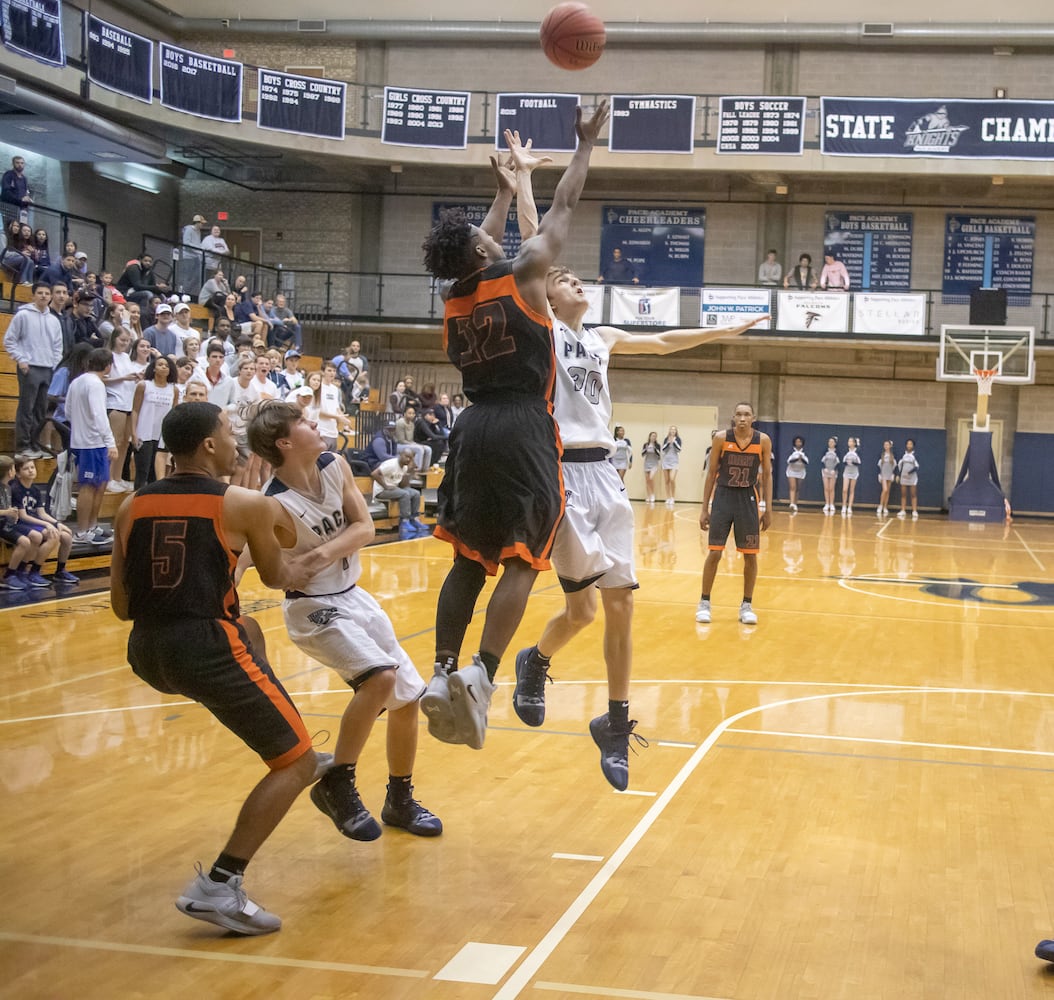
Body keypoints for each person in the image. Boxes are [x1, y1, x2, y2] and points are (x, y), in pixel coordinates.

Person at [512, 263, 765, 789]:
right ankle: (534, 661)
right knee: (580, 612)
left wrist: (722, 330)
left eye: (577, 277)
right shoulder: (543, 326)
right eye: (562, 279)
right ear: (546, 297)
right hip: (562, 474)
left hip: (605, 476)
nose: (574, 281)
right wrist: (523, 186)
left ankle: (615, 721)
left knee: (620, 603)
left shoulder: (602, 337)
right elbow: (535, 256)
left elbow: (666, 340)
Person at [419, 107, 608, 751]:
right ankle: (485, 672)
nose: (488, 231)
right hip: (524, 424)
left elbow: (475, 247)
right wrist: (584, 147)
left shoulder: (455, 297)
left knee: (469, 559)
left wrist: (502, 191)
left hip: (470, 427)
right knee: (524, 557)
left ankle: (444, 670)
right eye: (482, 230)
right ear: (480, 248)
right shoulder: (526, 273)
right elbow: (565, 205)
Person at [110, 401, 324, 936]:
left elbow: (119, 604)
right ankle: (220, 885)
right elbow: (279, 575)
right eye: (229, 433)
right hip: (204, 645)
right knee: (295, 766)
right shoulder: (244, 502)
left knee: (251, 634)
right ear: (208, 444)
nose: (235, 443)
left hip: (146, 650)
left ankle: (294, 738)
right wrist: (307, 557)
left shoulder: (130, 506)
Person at [247, 402, 440, 840]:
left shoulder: (334, 465)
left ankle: (400, 800)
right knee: (381, 679)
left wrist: (316, 555)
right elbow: (244, 554)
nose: (316, 424)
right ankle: (337, 780)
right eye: (304, 422)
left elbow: (365, 528)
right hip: (312, 606)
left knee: (406, 698)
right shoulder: (272, 503)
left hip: (354, 595)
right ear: (285, 442)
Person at [696, 402, 772, 626]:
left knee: (750, 555)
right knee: (715, 552)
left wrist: (768, 509)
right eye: (738, 414)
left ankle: (747, 605)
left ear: (753, 418)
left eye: (746, 414)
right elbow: (711, 474)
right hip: (723, 497)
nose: (742, 418)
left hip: (748, 499)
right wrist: (704, 508)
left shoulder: (763, 440)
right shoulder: (721, 438)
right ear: (733, 417)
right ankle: (704, 602)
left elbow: (767, 475)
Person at [4, 281, 63, 460]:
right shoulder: (23, 315)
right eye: (40, 293)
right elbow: (9, 340)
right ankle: (23, 447)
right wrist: (21, 360)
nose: (44, 296)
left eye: (46, 293)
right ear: (33, 295)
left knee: (40, 410)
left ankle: (36, 445)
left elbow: (58, 346)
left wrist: (54, 364)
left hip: (47, 369)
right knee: (26, 408)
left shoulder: (54, 320)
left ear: (50, 296)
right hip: (29, 367)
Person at [66, 348, 119, 544]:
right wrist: (110, 442)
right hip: (92, 443)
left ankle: (92, 526)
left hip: (83, 441)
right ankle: (82, 531)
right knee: (88, 486)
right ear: (107, 366)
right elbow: (99, 415)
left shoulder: (76, 382)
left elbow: (68, 412)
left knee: (100, 484)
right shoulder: (95, 384)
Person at [130, 357, 179, 490]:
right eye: (160, 364)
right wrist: (133, 433)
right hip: (144, 434)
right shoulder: (144, 385)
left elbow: (173, 414)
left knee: (155, 473)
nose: (164, 367)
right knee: (142, 472)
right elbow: (135, 410)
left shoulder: (173, 390)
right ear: (153, 368)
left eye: (166, 365)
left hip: (162, 436)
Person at [372, 448, 431, 540]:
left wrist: (410, 472)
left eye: (410, 458)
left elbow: (404, 485)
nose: (408, 459)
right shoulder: (391, 464)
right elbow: (374, 474)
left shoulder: (404, 467)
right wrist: (386, 486)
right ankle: (404, 521)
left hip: (394, 489)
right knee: (405, 494)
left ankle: (414, 519)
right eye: (406, 457)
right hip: (381, 491)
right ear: (400, 455)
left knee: (415, 493)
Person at [1, 155, 33, 222]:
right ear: (13, 164)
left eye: (22, 163)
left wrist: (27, 198)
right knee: (9, 225)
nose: (20, 165)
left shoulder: (24, 178)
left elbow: (25, 192)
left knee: (20, 227)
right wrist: (20, 199)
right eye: (17, 163)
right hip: (8, 207)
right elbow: (6, 192)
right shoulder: (9, 175)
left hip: (21, 209)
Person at [897, 439, 919, 519]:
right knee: (903, 494)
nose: (909, 445)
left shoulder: (915, 455)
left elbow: (917, 467)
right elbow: (899, 466)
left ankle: (914, 510)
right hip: (903, 477)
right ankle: (903, 510)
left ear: (913, 446)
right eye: (908, 444)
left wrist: (909, 473)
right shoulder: (903, 455)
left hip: (912, 477)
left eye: (911, 444)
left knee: (913, 494)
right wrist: (898, 475)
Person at [785, 435, 808, 513]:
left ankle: (795, 503)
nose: (798, 443)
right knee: (793, 487)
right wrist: (797, 459)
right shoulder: (791, 451)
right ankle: (791, 503)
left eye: (800, 441)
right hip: (791, 471)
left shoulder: (804, 451)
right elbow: (789, 461)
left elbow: (807, 462)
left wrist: (802, 458)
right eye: (797, 441)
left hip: (801, 471)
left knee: (798, 488)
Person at [661, 425, 681, 507]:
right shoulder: (666, 439)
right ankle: (668, 497)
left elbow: (679, 449)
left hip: (674, 461)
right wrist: (668, 443)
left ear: (676, 431)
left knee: (672, 479)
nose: (673, 431)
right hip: (666, 461)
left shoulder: (678, 439)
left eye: (674, 430)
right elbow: (663, 449)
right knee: (667, 480)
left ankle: (673, 497)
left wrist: (674, 442)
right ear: (669, 431)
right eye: (671, 430)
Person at [841, 436, 861, 516]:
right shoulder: (846, 451)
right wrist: (847, 462)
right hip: (846, 471)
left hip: (854, 472)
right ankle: (844, 506)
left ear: (854, 443)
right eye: (848, 441)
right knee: (845, 489)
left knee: (852, 490)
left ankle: (849, 507)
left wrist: (853, 462)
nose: (849, 443)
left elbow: (859, 462)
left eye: (850, 441)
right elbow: (843, 461)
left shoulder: (858, 451)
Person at [820, 436, 839, 514]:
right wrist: (824, 468)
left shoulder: (837, 452)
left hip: (833, 472)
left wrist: (834, 470)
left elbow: (839, 462)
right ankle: (827, 503)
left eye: (832, 442)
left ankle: (831, 504)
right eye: (829, 442)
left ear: (835, 443)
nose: (830, 443)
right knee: (826, 488)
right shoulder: (825, 451)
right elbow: (821, 461)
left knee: (831, 488)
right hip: (825, 471)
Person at [877, 439, 897, 516]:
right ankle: (880, 505)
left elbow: (895, 466)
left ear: (890, 446)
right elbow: (878, 465)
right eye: (885, 445)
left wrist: (893, 474)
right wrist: (879, 474)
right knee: (884, 490)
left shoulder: (893, 455)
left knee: (888, 491)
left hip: (890, 474)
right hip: (883, 474)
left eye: (887, 445)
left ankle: (885, 507)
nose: (886, 446)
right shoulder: (881, 454)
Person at [641, 431, 661, 504]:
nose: (653, 437)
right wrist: (646, 449)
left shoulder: (657, 445)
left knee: (651, 478)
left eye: (655, 436)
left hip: (654, 464)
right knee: (647, 481)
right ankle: (648, 495)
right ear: (649, 437)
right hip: (647, 464)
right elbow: (642, 454)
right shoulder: (645, 445)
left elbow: (659, 455)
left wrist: (654, 448)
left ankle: (652, 494)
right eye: (652, 436)